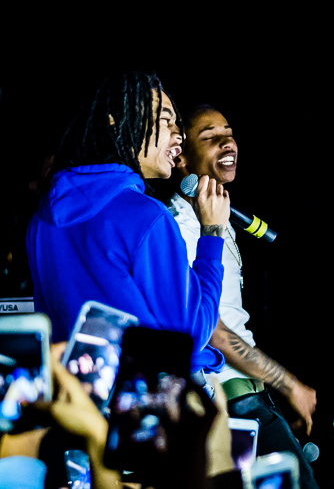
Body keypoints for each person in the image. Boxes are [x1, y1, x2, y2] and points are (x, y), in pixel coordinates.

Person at [26, 72, 230, 375]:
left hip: (78, 403)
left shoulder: (41, 221)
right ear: (114, 120)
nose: (179, 135)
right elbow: (191, 335)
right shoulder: (147, 217)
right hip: (141, 407)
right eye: (165, 120)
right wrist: (212, 232)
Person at [167, 104, 319, 489]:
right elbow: (212, 330)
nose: (227, 141)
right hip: (231, 401)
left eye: (228, 132)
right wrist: (290, 385)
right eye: (210, 137)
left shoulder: (215, 218)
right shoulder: (182, 226)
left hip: (249, 397)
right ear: (182, 157)